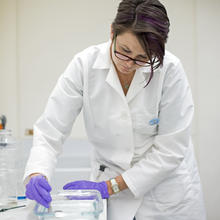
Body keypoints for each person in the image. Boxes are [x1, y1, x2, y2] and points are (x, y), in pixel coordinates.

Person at [24, 0, 207, 219]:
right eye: (124, 51)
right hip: (113, 188)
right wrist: (38, 172)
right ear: (112, 32)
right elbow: (51, 129)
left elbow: (170, 151)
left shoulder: (169, 70)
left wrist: (109, 188)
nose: (128, 64)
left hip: (167, 197)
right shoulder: (85, 65)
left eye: (141, 58)